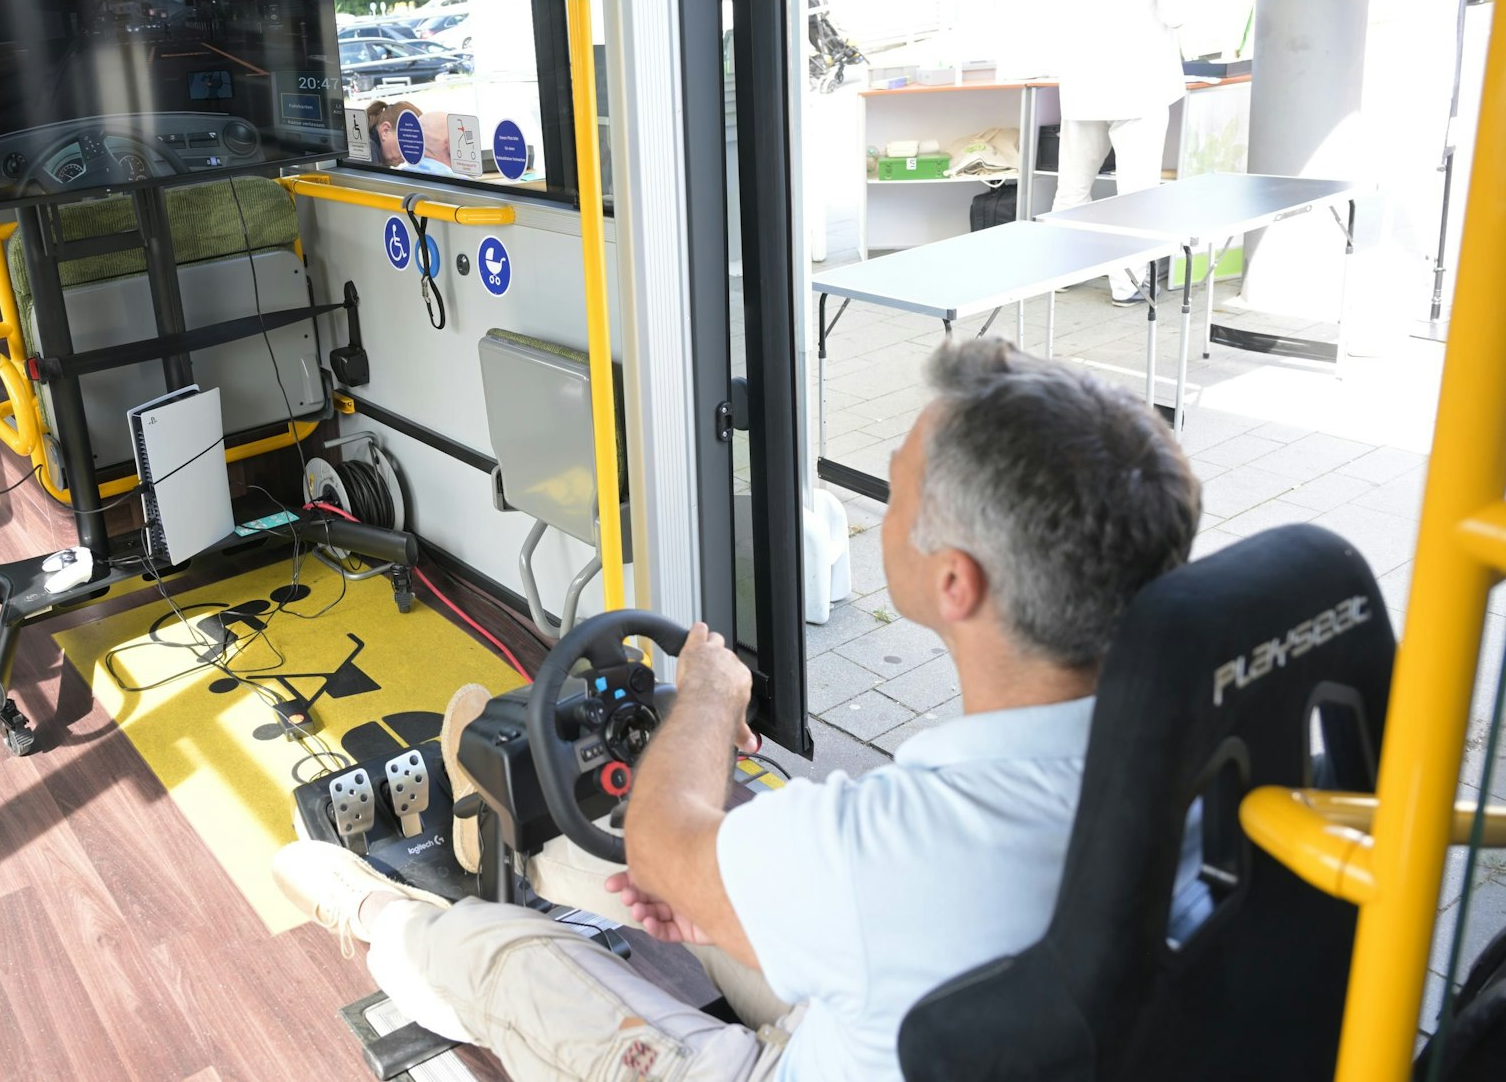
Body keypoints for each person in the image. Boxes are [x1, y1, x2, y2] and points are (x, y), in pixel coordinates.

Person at [273, 339, 1203, 1081]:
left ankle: (381, 918)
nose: (872, 509)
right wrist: (695, 879)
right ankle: (516, 852)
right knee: (625, 879)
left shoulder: (900, 841)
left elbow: (662, 843)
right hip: (925, 1025)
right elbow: (692, 869)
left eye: (889, 488)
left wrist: (711, 694)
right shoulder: (1211, 753)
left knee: (503, 957)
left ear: (955, 581)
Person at [1048, 0, 1195, 305]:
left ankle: (1060, 272)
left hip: (1082, 84)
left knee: (1072, 186)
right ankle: (1128, 285)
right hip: (1137, 87)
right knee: (1135, 195)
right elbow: (1176, 14)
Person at [364, 99, 456, 175]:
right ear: (385, 130)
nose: (405, 159)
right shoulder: (368, 156)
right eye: (406, 142)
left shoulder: (371, 152)